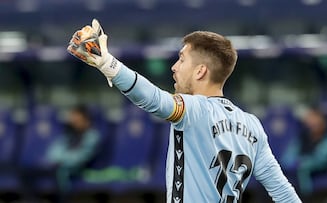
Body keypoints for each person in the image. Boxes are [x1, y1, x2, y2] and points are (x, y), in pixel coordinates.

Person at [67, 19, 301, 203]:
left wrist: (107, 62)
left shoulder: (194, 109)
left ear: (200, 71)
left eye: (181, 59)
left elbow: (154, 99)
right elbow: (282, 192)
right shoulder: (252, 125)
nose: (174, 67)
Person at [21, 105, 100, 202]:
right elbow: (54, 151)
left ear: (85, 120)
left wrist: (62, 160)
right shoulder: (69, 134)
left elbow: (82, 157)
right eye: (73, 119)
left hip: (75, 169)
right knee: (26, 172)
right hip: (57, 166)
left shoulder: (92, 136)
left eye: (77, 119)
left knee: (59, 174)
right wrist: (54, 160)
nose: (74, 122)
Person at [281, 107, 327, 195]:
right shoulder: (301, 138)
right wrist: (295, 163)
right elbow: (287, 157)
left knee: (302, 171)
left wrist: (302, 163)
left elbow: (321, 160)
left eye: (316, 122)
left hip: (319, 172)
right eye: (310, 122)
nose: (313, 124)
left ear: (323, 122)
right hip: (296, 170)